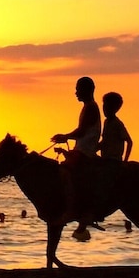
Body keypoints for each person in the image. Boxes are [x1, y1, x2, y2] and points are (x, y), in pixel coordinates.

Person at [50, 76, 102, 236]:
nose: (76, 93)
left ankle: (72, 210)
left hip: (85, 151)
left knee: (65, 172)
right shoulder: (88, 107)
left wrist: (64, 136)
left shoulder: (91, 107)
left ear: (87, 90)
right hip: (82, 148)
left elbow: (82, 131)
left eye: (78, 89)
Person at [100, 92, 133, 162]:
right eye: (104, 106)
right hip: (105, 159)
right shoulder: (106, 122)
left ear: (115, 109)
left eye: (107, 107)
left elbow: (129, 141)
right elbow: (105, 141)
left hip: (114, 160)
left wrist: (125, 160)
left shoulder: (117, 124)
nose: (104, 109)